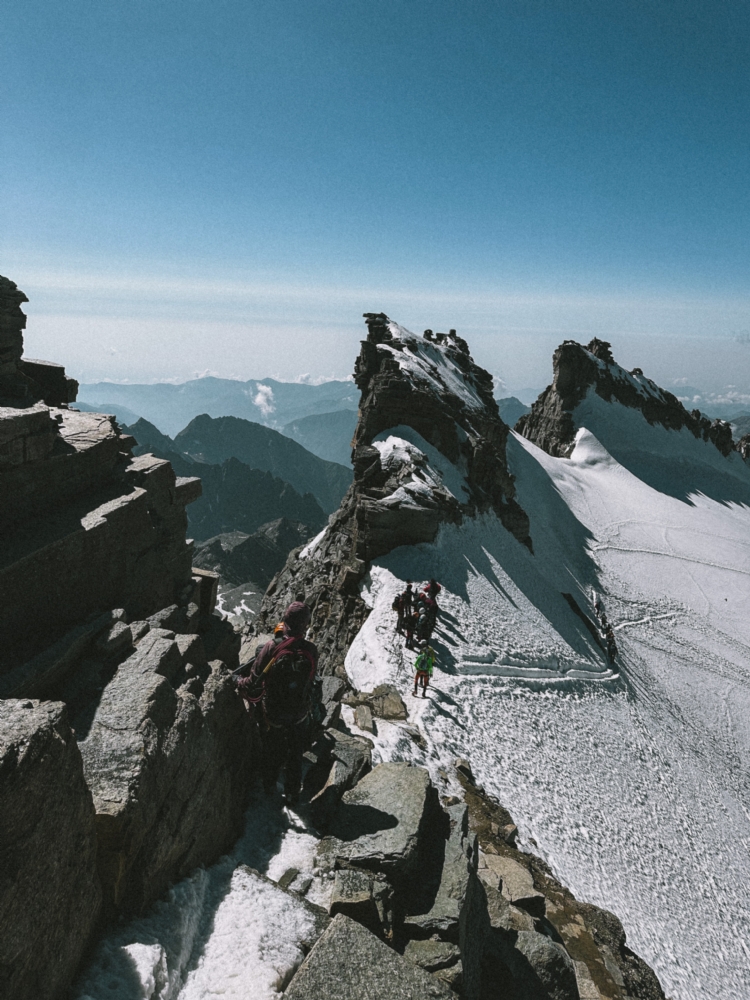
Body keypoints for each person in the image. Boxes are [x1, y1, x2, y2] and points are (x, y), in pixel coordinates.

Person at [236, 601, 318, 803]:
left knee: (272, 751)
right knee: (295, 754)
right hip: (299, 714)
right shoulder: (311, 650)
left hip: (273, 714)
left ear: (286, 621)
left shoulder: (272, 647)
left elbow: (254, 680)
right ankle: (292, 793)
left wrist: (237, 681)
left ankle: (269, 787)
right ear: (305, 624)